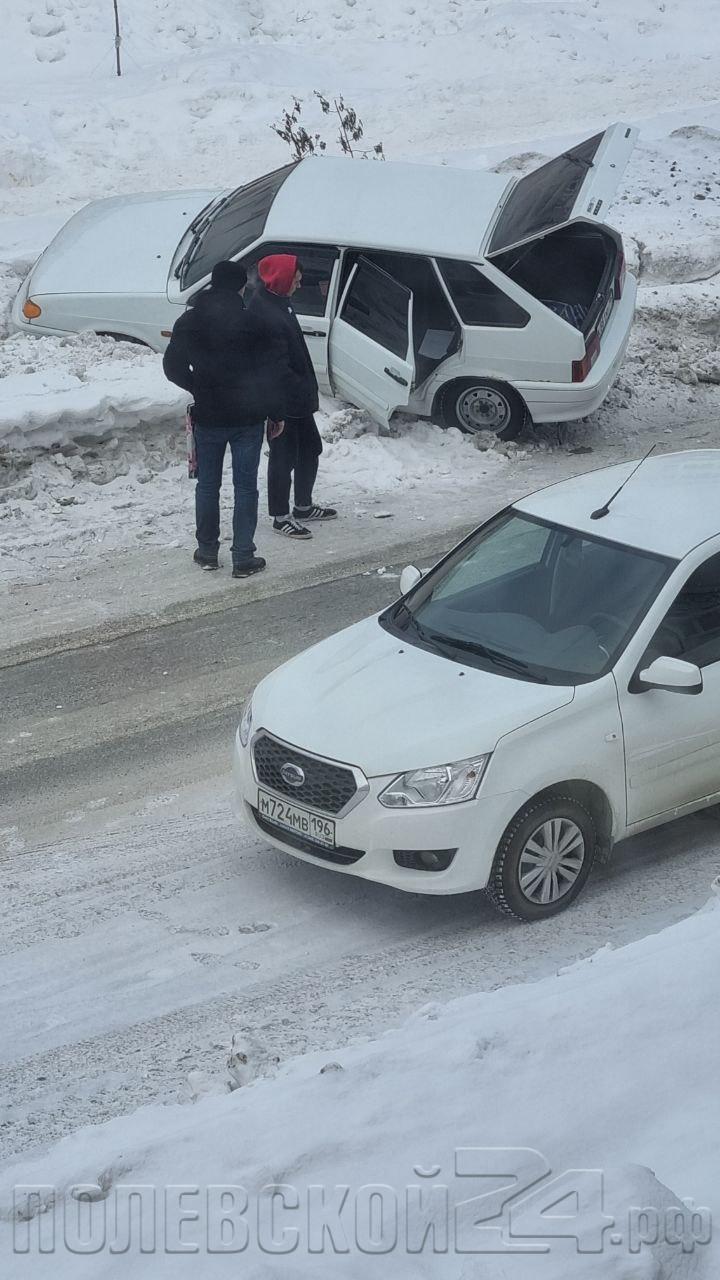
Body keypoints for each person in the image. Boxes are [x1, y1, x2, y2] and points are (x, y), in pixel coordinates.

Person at [162, 260, 284, 578]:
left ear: (213, 284)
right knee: (245, 488)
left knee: (207, 486)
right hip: (248, 417)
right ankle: (243, 557)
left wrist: (199, 387)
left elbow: (172, 367)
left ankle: (207, 552)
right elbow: (270, 371)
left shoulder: (190, 321)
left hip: (210, 416)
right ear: (241, 287)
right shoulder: (253, 323)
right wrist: (275, 412)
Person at [248, 253, 336, 540]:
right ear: (281, 279)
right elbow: (275, 367)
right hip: (283, 403)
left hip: (297, 400)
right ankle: (280, 515)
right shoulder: (266, 314)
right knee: (283, 459)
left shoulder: (279, 303)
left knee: (310, 450)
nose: (299, 285)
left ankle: (303, 506)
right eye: (295, 281)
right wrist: (280, 408)